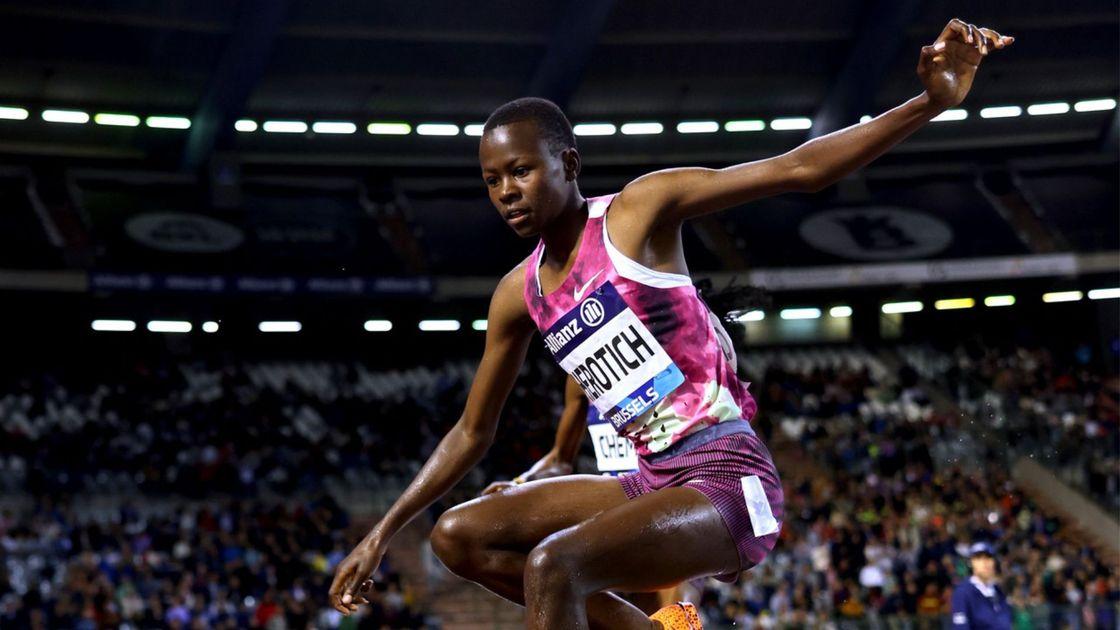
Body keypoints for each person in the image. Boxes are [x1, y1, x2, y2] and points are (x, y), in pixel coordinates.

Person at [330, 19, 1013, 630]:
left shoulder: (638, 213)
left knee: (551, 567)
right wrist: (384, 533)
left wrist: (930, 102)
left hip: (726, 478)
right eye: (491, 180)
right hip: (646, 480)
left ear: (567, 164)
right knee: (458, 536)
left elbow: (800, 168)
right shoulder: (517, 293)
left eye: (521, 171)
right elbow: (473, 431)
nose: (507, 191)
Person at [950, 542, 1012, 630]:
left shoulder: (998, 591)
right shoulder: (963, 592)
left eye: (988, 557)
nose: (984, 562)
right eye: (978, 558)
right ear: (971, 562)